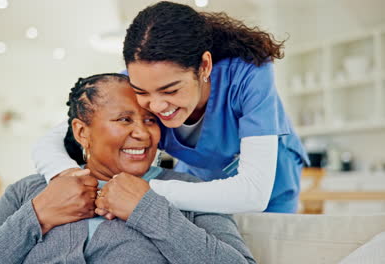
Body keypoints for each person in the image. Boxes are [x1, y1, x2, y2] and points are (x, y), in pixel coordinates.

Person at [32, 1, 309, 214]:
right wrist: (64, 174)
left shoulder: (249, 75)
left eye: (171, 90)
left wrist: (143, 191)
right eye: (142, 92)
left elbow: (253, 193)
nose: (156, 106)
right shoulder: (137, 80)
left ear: (204, 66)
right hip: (194, 180)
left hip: (270, 185)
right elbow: (56, 137)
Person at [0, 74, 256, 264]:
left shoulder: (191, 191)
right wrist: (37, 215)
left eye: (150, 120)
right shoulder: (29, 192)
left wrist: (147, 209)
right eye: (124, 119)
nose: (143, 133)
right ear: (83, 132)